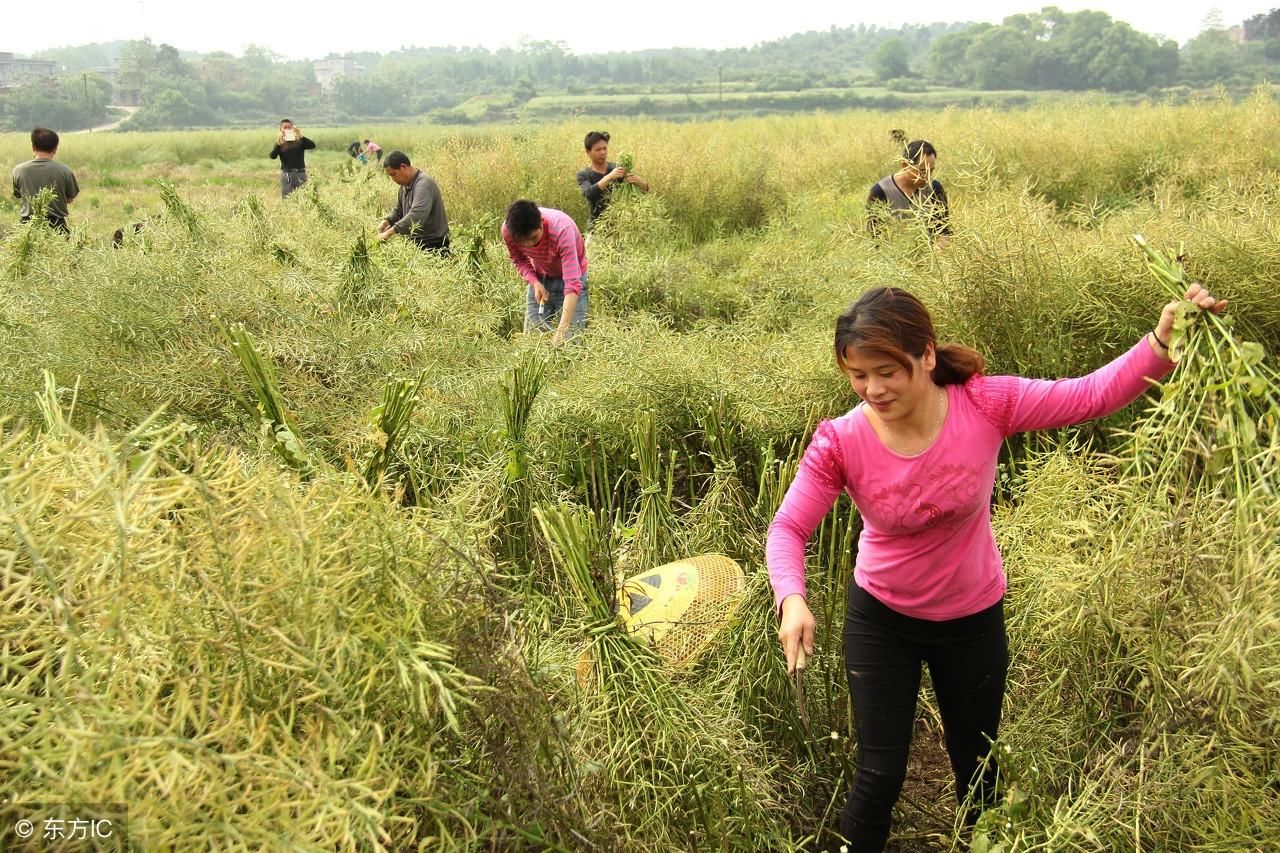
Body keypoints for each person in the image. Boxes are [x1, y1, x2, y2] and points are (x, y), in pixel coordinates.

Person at [767, 283, 1224, 852]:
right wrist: (792, 596)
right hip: (881, 619)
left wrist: (1163, 339)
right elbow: (788, 528)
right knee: (879, 775)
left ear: (926, 355)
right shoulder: (841, 440)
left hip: (971, 619)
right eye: (858, 375)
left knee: (978, 768)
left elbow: (1088, 395)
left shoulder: (985, 402)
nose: (873, 389)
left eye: (888, 371)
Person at [501, 199, 588, 346]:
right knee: (532, 341)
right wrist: (534, 282)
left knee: (572, 343)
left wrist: (561, 331)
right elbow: (519, 259)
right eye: (523, 241)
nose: (529, 245)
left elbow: (572, 284)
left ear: (541, 222)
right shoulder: (508, 231)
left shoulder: (562, 230)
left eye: (534, 238)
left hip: (572, 280)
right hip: (541, 277)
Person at [866, 139, 951, 247]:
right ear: (905, 165)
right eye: (922, 171)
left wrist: (937, 254)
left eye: (931, 171)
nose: (927, 177)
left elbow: (944, 231)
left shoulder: (934, 188)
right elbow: (876, 238)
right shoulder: (880, 191)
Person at [377, 151, 450, 254]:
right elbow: (399, 210)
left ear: (403, 167)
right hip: (417, 243)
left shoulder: (423, 184)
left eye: (394, 174)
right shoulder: (404, 185)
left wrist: (389, 232)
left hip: (434, 245)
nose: (393, 179)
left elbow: (417, 214)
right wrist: (386, 222)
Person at [11, 127, 79, 233]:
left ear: (33, 147)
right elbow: (70, 199)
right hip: (56, 227)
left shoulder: (19, 170)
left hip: (27, 228)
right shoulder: (65, 171)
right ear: (55, 149)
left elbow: (18, 195)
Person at [576, 130, 649, 226]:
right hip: (597, 227)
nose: (603, 152)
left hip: (621, 227)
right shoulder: (584, 174)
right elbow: (589, 194)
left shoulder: (618, 168)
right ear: (588, 152)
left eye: (605, 148)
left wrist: (641, 182)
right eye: (598, 150)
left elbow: (642, 191)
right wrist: (610, 177)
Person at [269, 118, 316, 199]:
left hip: (300, 174)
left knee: (304, 199)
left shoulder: (299, 141)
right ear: (281, 130)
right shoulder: (280, 143)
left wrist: (301, 136)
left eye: (289, 127)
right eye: (285, 127)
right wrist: (278, 144)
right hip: (287, 174)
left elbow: (312, 145)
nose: (287, 129)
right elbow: (272, 156)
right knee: (287, 200)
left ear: (293, 128)